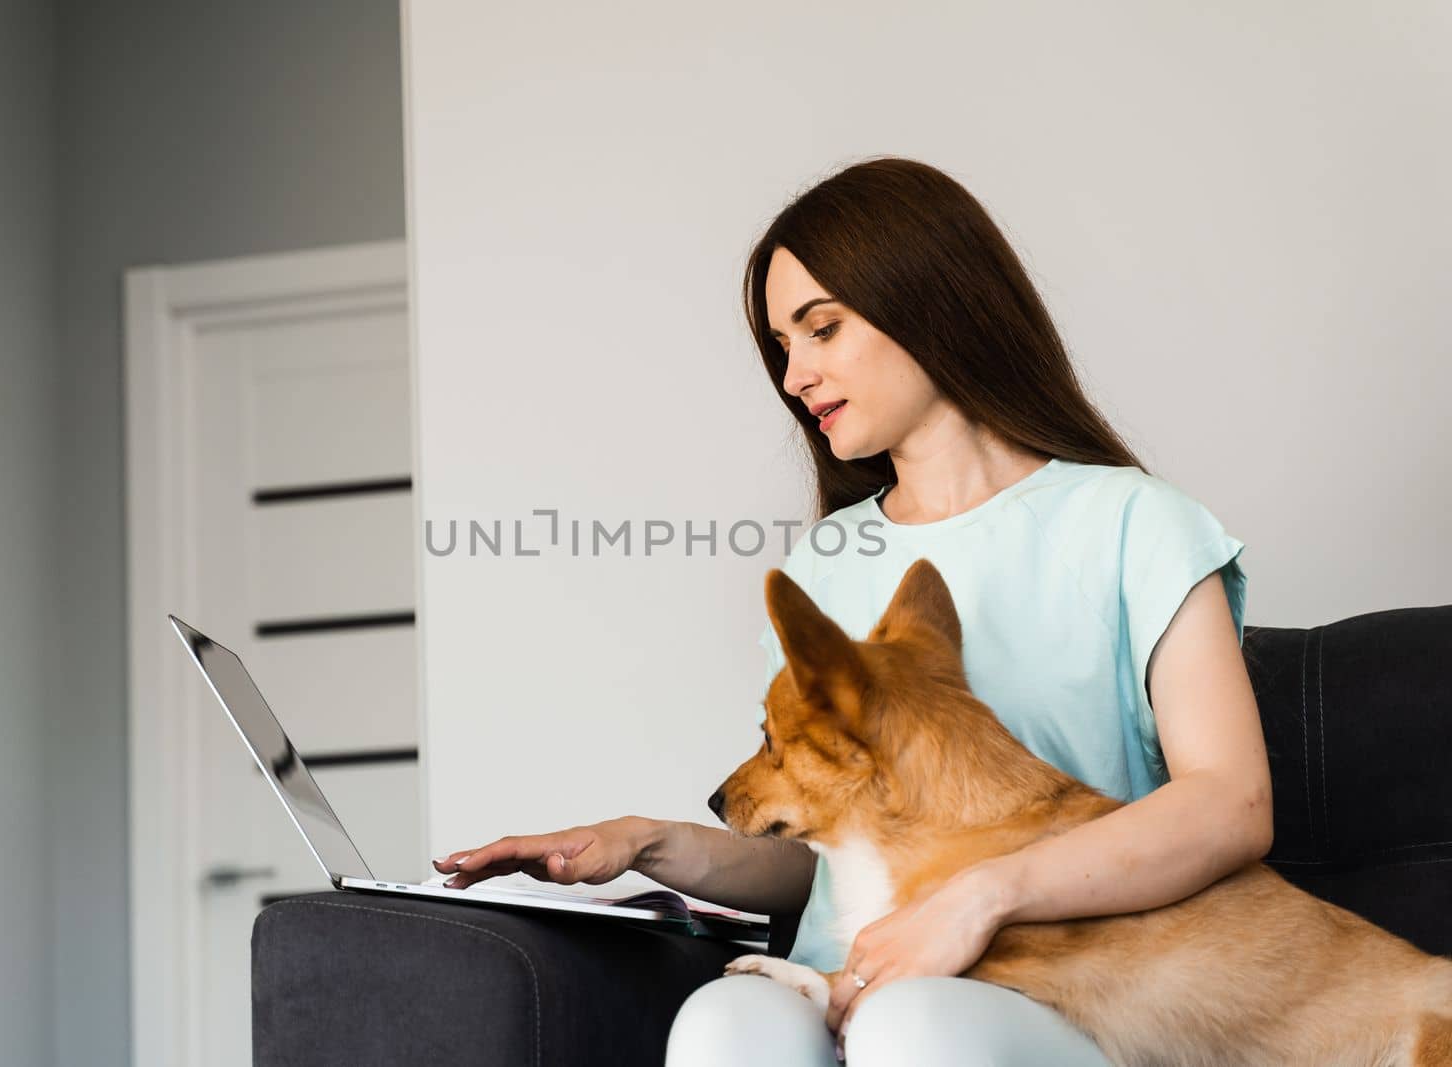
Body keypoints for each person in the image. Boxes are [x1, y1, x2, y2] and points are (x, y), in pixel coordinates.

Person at [430, 156, 1272, 1066]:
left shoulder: (1135, 525)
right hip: (849, 977)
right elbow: (825, 856)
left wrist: (977, 896)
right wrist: (641, 842)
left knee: (914, 1027)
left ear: (932, 303)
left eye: (820, 329)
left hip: (1067, 978)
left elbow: (1231, 804)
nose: (795, 377)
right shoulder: (829, 561)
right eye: (782, 349)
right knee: (722, 1025)